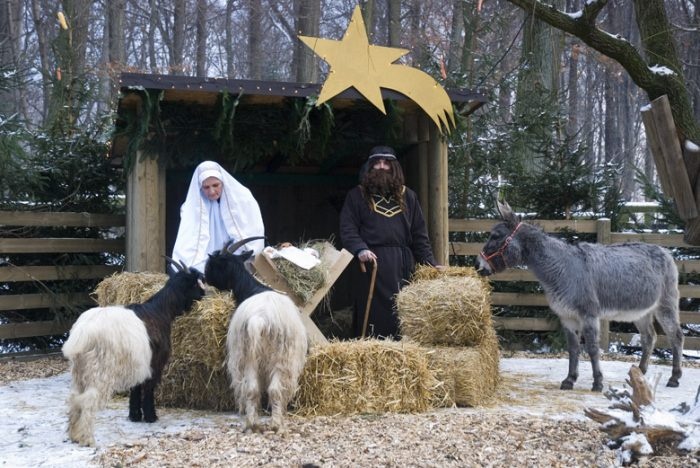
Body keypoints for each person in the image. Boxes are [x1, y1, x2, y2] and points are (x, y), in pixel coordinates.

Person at [339, 146, 442, 339]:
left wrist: (431, 264)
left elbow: (419, 236)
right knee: (372, 318)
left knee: (400, 314)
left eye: (386, 163)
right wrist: (360, 249)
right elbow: (348, 229)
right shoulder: (357, 195)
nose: (381, 167)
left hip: (402, 266)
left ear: (394, 167)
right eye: (376, 163)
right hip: (371, 265)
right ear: (369, 167)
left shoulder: (408, 196)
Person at [171, 160, 265, 273]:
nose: (211, 191)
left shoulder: (243, 199)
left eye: (215, 185)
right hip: (207, 260)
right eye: (206, 187)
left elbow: (253, 234)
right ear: (200, 187)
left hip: (236, 258)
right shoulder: (190, 208)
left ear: (223, 182)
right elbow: (188, 242)